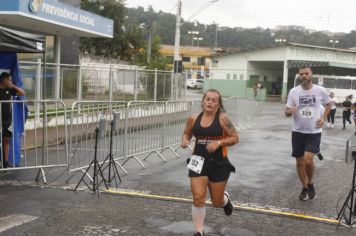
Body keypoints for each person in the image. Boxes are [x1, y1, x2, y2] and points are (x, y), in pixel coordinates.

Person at [181, 89, 239, 236]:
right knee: (198, 197)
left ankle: (225, 201)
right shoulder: (194, 118)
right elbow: (187, 132)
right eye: (207, 99)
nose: (210, 102)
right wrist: (185, 140)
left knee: (216, 202)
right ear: (202, 101)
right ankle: (199, 231)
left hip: (218, 163)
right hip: (198, 161)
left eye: (214, 100)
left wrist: (218, 142)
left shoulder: (223, 119)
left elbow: (235, 138)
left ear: (218, 105)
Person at [285, 67, 331, 201]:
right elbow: (287, 112)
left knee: (308, 160)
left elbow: (329, 104)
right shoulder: (293, 92)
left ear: (311, 75)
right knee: (299, 162)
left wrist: (323, 118)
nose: (304, 76)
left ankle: (310, 182)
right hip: (297, 131)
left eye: (306, 73)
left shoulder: (320, 90)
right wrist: (290, 111)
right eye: (301, 74)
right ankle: (305, 187)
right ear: (299, 76)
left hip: (314, 132)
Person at [0, 72, 25, 168]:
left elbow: (22, 93)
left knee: (6, 140)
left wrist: (13, 85)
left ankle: (5, 162)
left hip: (7, 120)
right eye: (9, 80)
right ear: (4, 80)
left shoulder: (9, 90)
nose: (11, 81)